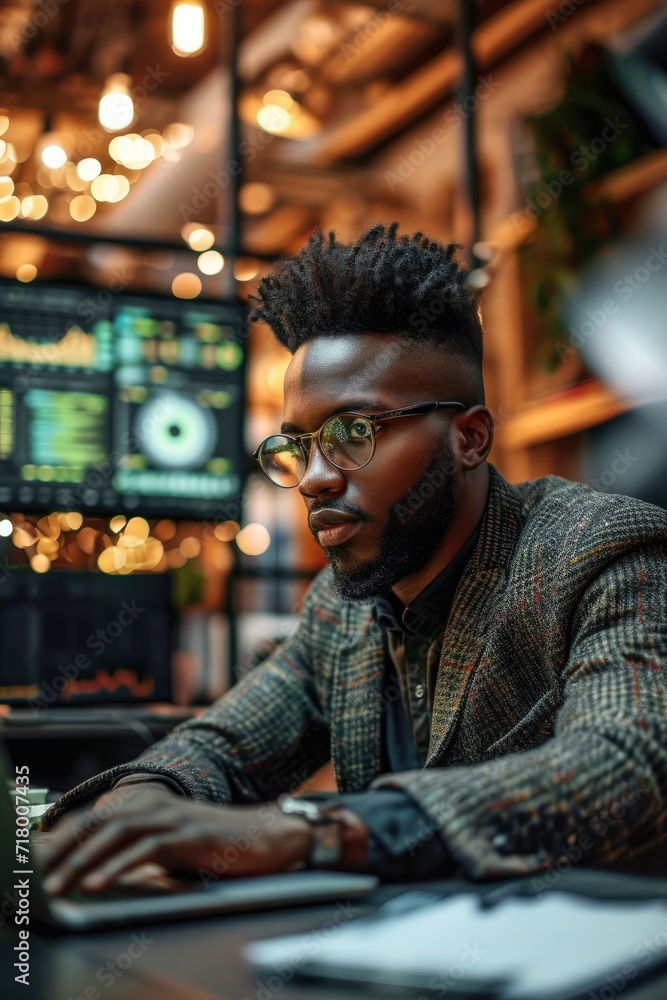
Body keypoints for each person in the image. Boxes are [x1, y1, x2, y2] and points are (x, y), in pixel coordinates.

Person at [39, 222, 667, 896]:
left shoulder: (601, 552)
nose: (313, 477)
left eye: (352, 432)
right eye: (299, 445)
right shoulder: (342, 611)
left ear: (470, 438)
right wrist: (137, 805)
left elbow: (629, 762)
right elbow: (223, 747)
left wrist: (313, 832)